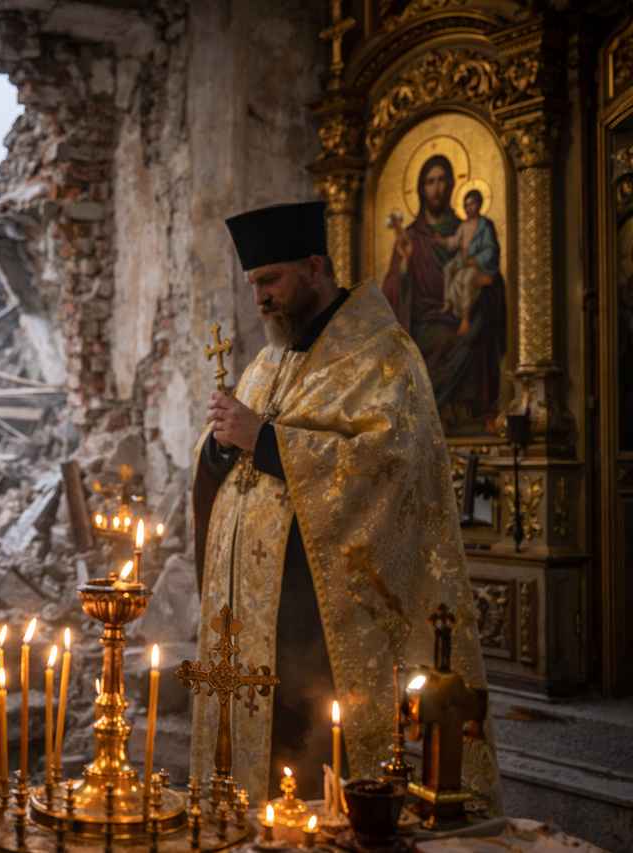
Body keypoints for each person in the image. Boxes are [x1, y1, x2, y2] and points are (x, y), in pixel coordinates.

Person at [187, 202, 499, 806]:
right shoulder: (266, 361)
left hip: (324, 619)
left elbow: (392, 466)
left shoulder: (384, 355)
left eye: (270, 280)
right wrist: (221, 449)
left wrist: (266, 441)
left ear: (314, 267)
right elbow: (231, 449)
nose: (260, 299)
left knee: (318, 778)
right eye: (253, 284)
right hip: (251, 622)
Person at [381, 155, 506, 426]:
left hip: (463, 312)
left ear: (451, 185)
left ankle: (466, 415)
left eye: (441, 181)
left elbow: (490, 270)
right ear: (420, 188)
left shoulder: (467, 229)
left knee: (473, 333)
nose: (436, 188)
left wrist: (485, 285)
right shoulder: (410, 237)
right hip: (423, 323)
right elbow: (389, 295)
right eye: (429, 182)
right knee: (445, 339)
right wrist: (404, 264)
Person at [438, 190, 499, 337]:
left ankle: (465, 319)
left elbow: (491, 249)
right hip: (462, 260)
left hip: (479, 264)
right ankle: (448, 302)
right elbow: (454, 242)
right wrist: (442, 241)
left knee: (466, 279)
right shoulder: (464, 225)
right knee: (447, 269)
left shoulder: (484, 225)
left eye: (471, 204)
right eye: (466, 205)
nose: (468, 208)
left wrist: (476, 260)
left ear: (479, 205)